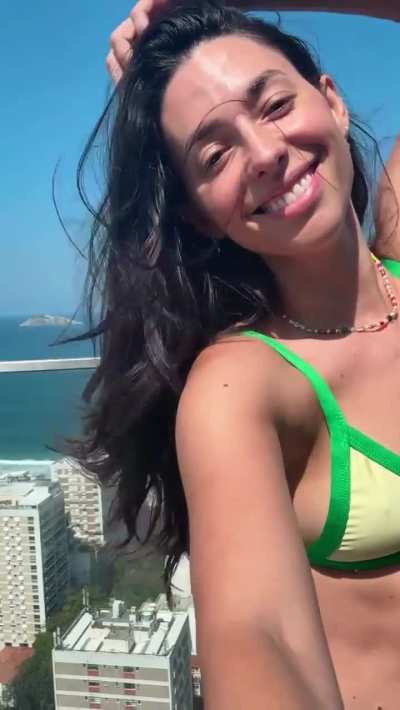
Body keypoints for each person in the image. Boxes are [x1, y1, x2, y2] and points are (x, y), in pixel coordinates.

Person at [75, 2, 400, 708]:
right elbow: (261, 637)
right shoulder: (239, 387)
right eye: (214, 156)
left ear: (332, 100)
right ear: (198, 212)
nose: (264, 153)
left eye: (275, 105)